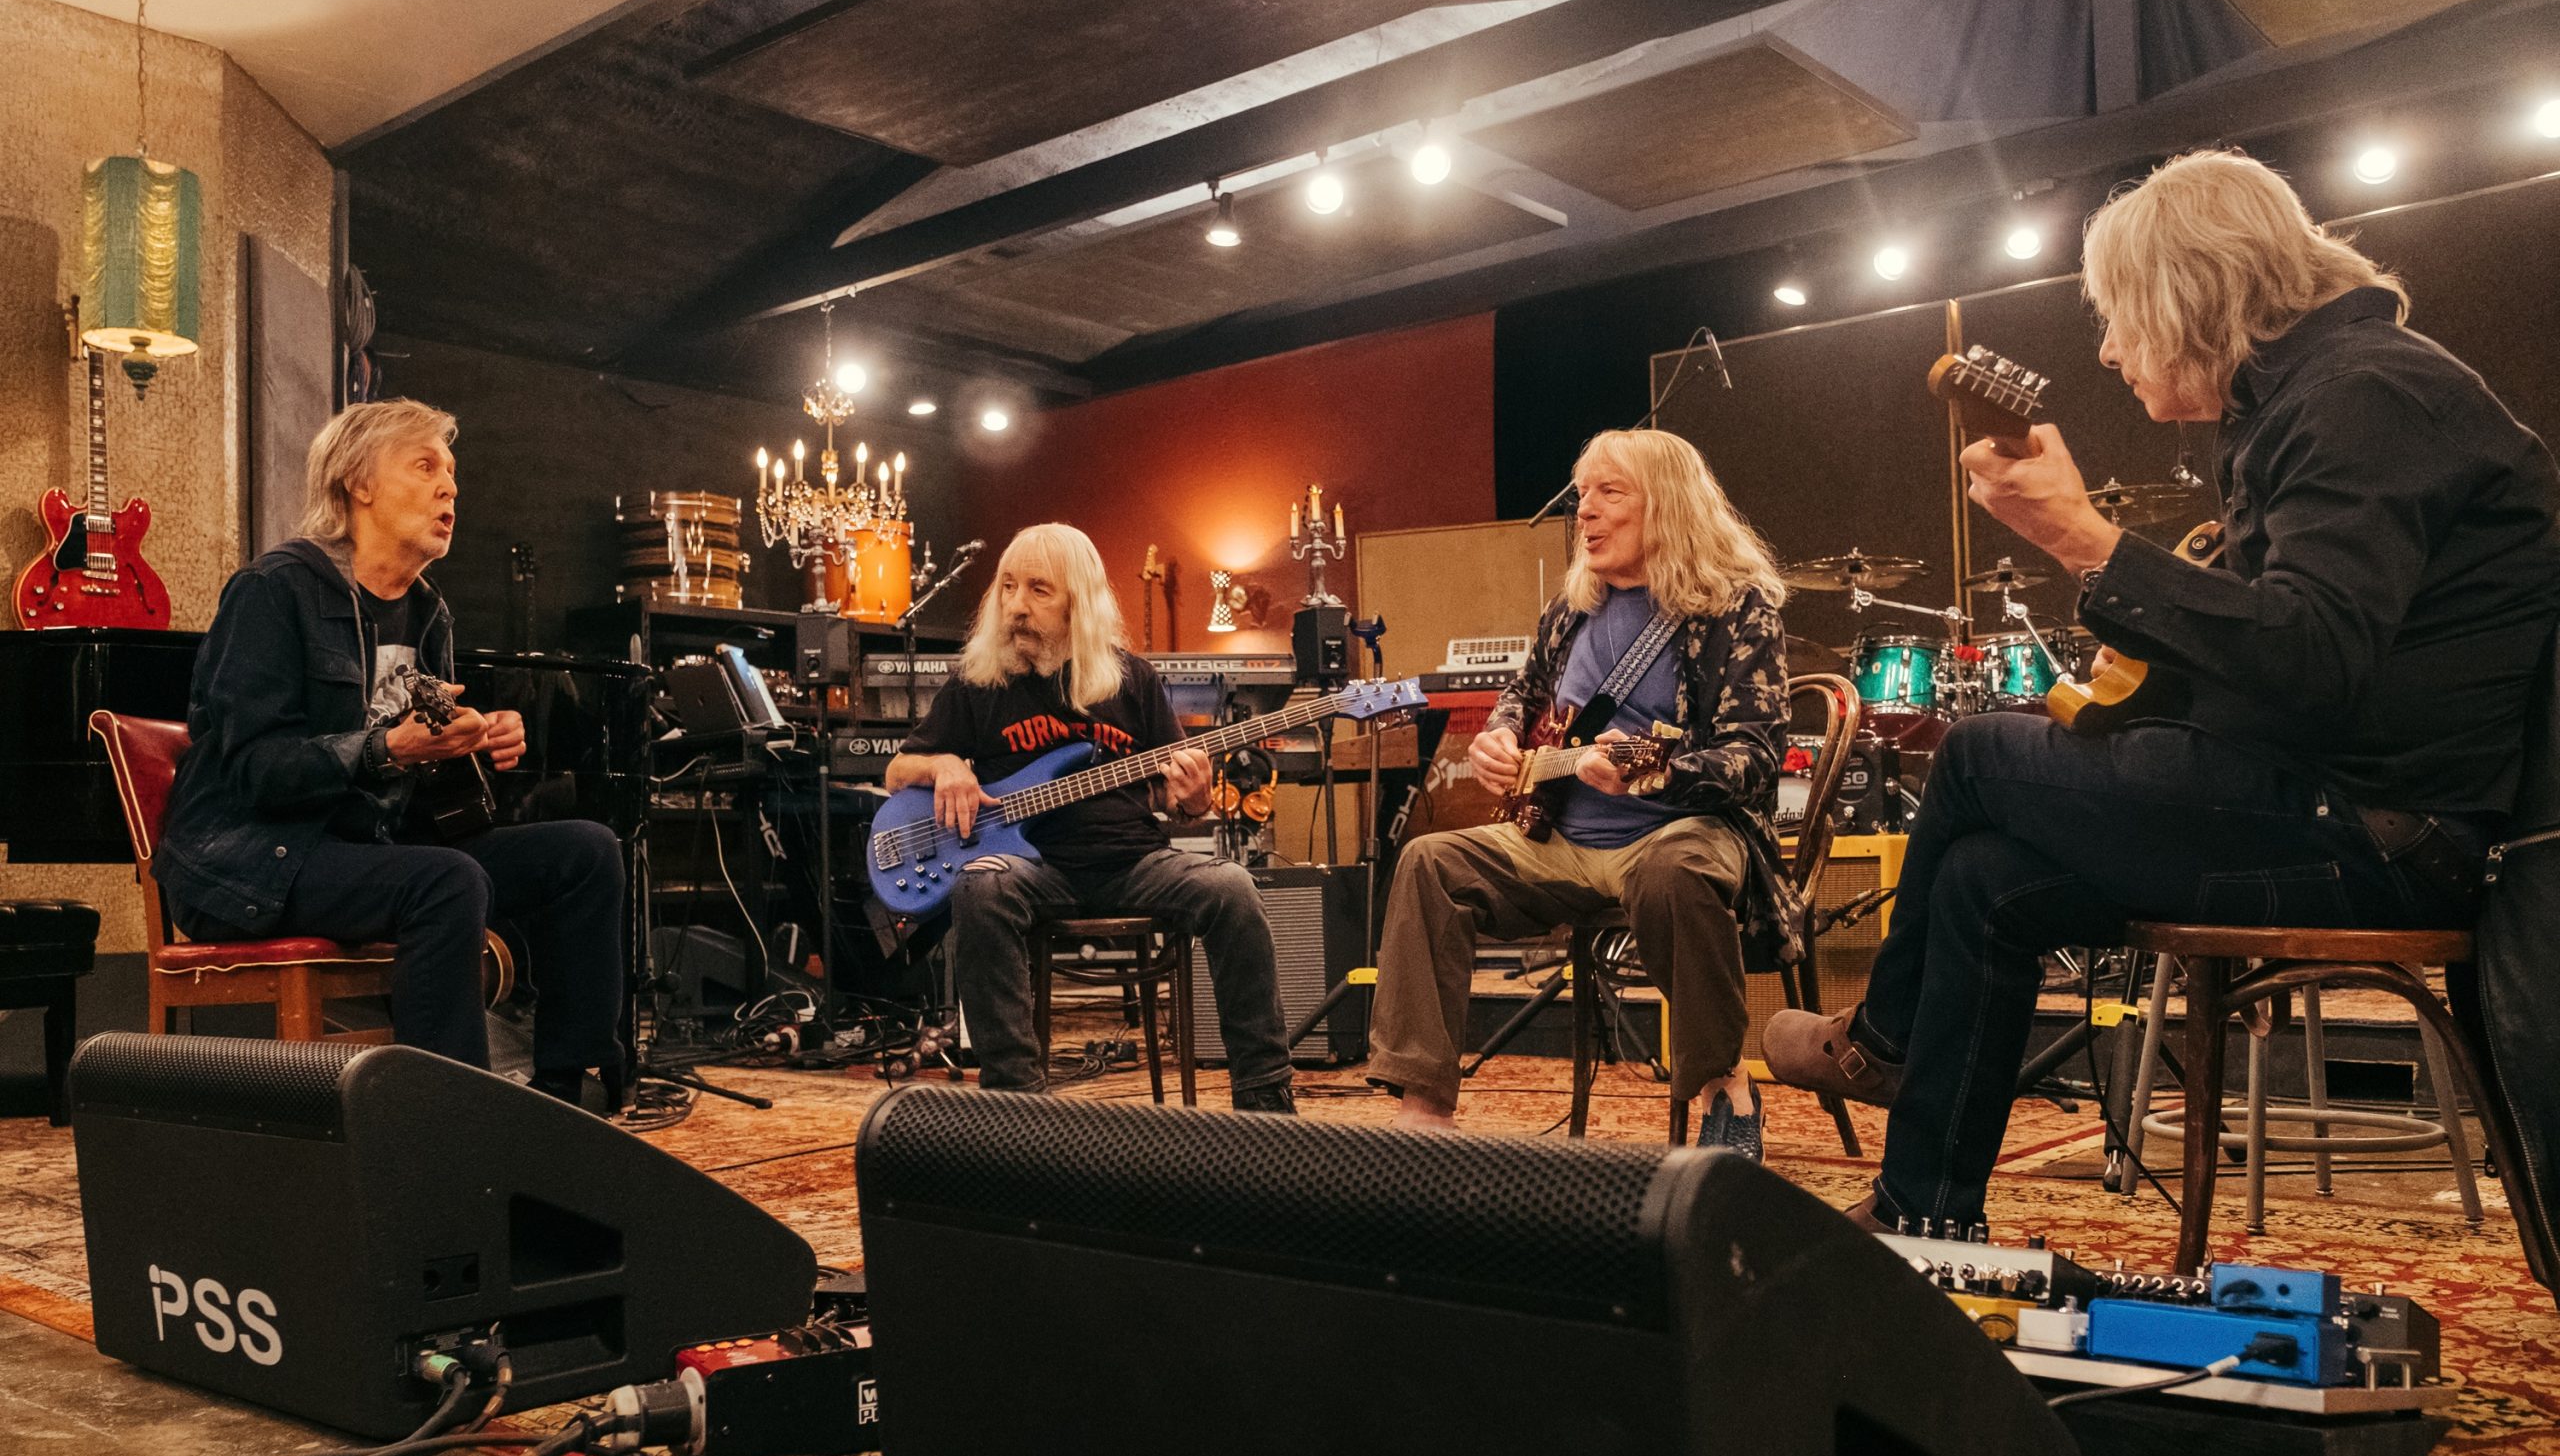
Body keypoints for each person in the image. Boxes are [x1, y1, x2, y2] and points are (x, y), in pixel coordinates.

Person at [1762, 148, 2560, 1230]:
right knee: (1983, 882)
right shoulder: (2326, 396)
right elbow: (2288, 656)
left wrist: (2081, 538)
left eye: (2118, 317)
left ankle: (1887, 1045)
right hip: (2335, 807)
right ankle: (1921, 1222)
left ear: (2189, 299)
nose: (2106, 350)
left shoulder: (2364, 392)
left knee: (1976, 752)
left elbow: (2317, 659)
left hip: (2381, 834)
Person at [155, 399, 627, 1108]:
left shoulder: (430, 614)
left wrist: (475, 741)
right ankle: (446, 1120)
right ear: (359, 483)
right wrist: (389, 747)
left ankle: (571, 1089)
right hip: (257, 858)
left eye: (453, 473)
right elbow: (258, 773)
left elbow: (424, 793)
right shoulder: (272, 592)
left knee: (588, 851)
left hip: (362, 848)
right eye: (426, 466)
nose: (451, 488)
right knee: (444, 882)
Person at [1365, 428, 1800, 1151]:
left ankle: (1725, 1083)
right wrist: (1502, 735)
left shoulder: (1738, 608)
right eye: (1583, 492)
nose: (1585, 511)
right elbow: (1523, 695)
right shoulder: (1571, 611)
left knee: (1676, 872)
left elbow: (1754, 759)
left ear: (1666, 506)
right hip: (1560, 841)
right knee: (1428, 863)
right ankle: (1424, 1109)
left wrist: (1653, 770)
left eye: (1609, 492)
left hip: (1677, 833)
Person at [884, 523, 1300, 1112]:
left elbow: (1180, 799)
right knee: (979, 887)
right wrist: (945, 763)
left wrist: (1195, 798)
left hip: (1133, 862)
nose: (1016, 607)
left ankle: (1265, 1098)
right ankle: (1017, 1104)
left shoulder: (1133, 679)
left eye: (1037, 590)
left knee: (1232, 887)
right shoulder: (980, 683)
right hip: (1034, 867)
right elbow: (898, 772)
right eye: (1007, 588)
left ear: (1078, 601)